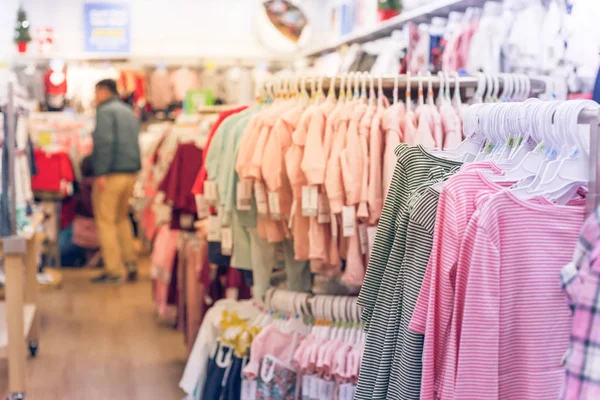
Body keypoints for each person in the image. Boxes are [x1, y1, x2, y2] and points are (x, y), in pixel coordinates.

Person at [90, 79, 141, 284]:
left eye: (96, 92)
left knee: (106, 221)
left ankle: (114, 270)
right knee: (121, 218)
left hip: (111, 173)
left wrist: (100, 172)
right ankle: (130, 263)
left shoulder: (105, 112)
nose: (95, 97)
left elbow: (104, 142)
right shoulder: (128, 111)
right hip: (130, 173)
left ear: (103, 91)